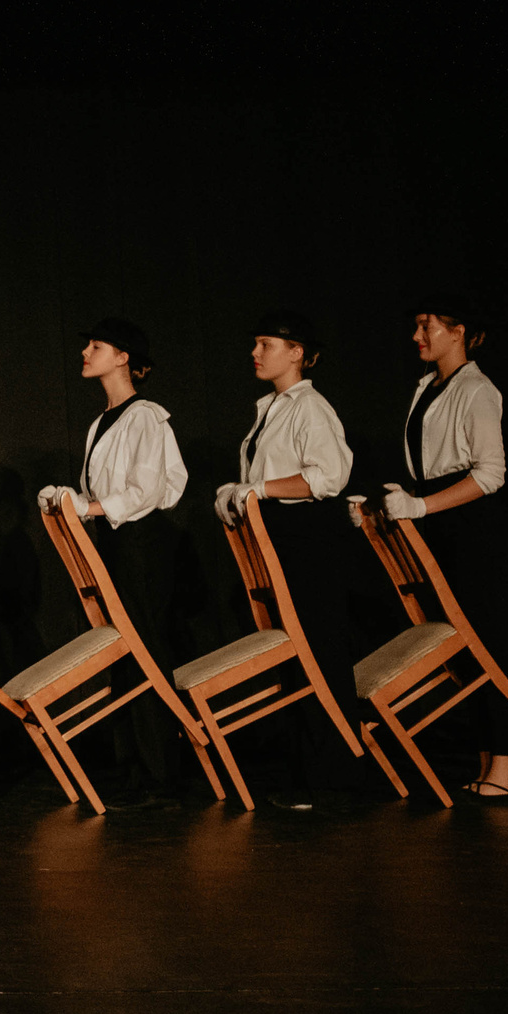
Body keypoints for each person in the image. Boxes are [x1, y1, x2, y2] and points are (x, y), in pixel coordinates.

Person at [371, 298, 508, 801]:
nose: (417, 335)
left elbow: (490, 474)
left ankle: (506, 764)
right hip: (440, 520)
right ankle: (486, 759)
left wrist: (422, 505)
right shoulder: (428, 387)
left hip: (472, 526)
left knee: (489, 641)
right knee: (463, 647)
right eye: (416, 324)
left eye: (426, 326)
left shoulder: (477, 389)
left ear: (458, 331)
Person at [211, 311, 364, 811]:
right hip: (280, 540)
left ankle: (333, 776)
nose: (256, 353)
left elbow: (327, 478)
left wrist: (259, 488)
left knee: (319, 653)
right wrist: (241, 492)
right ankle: (306, 772)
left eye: (266, 343)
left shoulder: (310, 407)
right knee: (297, 659)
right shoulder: (271, 407)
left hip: (308, 541)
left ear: (297, 351)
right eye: (255, 343)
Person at [37, 316, 188, 808]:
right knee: (126, 653)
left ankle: (159, 772)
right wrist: (71, 499)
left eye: (96, 345)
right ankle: (134, 769)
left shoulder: (144, 415)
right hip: (116, 542)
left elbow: (145, 492)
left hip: (142, 543)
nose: (85, 352)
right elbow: (100, 489)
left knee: (144, 648)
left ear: (124, 357)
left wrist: (89, 507)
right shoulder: (102, 419)